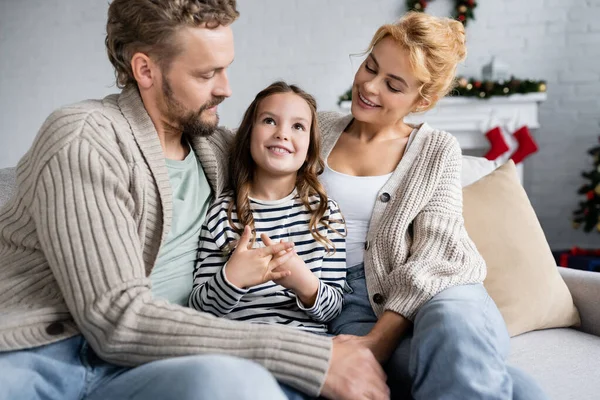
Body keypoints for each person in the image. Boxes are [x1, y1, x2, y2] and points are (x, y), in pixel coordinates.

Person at [0, 1, 390, 400]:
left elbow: (296, 130)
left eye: (226, 68)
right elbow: (114, 319)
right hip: (50, 353)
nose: (226, 88)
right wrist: (312, 356)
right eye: (207, 74)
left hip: (150, 364)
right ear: (145, 70)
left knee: (239, 385)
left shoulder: (215, 146)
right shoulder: (86, 138)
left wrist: (406, 130)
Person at [318, 12, 549, 400]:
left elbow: (436, 253)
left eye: (392, 84)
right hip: (350, 302)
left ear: (420, 100)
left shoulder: (437, 149)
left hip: (443, 286)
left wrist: (379, 340)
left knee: (452, 326)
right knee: (499, 384)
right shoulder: (316, 128)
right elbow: (242, 143)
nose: (369, 87)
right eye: (369, 67)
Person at [189, 81, 346, 335]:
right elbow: (198, 308)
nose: (282, 134)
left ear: (310, 148)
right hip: (236, 345)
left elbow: (334, 308)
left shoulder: (326, 215)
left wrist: (304, 284)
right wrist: (233, 278)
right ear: (249, 134)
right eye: (269, 121)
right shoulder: (221, 214)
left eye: (298, 126)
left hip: (304, 347)